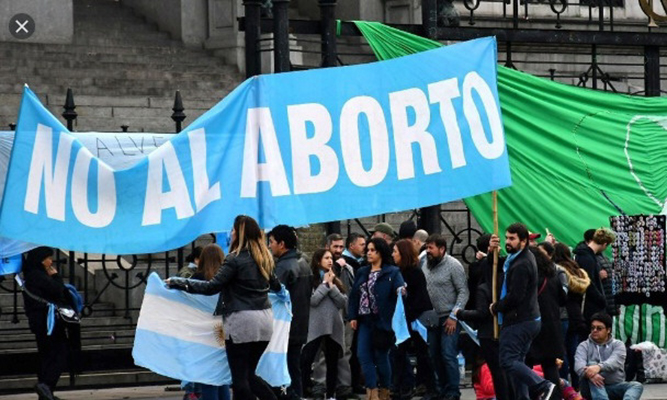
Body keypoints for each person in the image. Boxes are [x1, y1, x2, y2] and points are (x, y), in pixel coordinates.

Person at [167, 215, 282, 400]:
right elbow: (276, 286)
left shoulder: (234, 259)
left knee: (240, 379)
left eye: (234, 230)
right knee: (250, 374)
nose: (231, 233)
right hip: (265, 319)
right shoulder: (265, 258)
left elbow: (211, 287)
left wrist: (178, 282)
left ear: (240, 233)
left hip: (241, 320)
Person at [489, 223, 555, 400]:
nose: (508, 242)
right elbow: (495, 270)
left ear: (524, 241)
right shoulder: (519, 258)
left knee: (507, 360)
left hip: (520, 320)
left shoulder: (521, 264)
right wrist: (491, 251)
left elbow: (516, 296)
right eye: (507, 238)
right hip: (528, 319)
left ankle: (543, 385)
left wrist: (496, 307)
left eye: (512, 239)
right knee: (518, 364)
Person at [348, 238, 405, 400]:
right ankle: (372, 392)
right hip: (365, 320)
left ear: (380, 252)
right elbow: (354, 296)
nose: (369, 253)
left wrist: (401, 291)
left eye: (373, 250)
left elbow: (399, 289)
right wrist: (353, 316)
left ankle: (385, 390)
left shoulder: (392, 272)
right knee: (362, 355)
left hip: (383, 321)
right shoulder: (362, 271)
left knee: (381, 356)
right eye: (368, 250)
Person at [22, 247, 79, 400]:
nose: (51, 261)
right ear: (40, 260)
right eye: (47, 258)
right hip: (48, 322)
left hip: (41, 321)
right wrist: (56, 277)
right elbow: (57, 290)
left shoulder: (32, 275)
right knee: (60, 352)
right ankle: (46, 384)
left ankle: (46, 393)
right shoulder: (38, 276)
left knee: (46, 355)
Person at [455, 252, 513, 400]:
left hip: (489, 333)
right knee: (506, 370)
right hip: (505, 331)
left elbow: (482, 313)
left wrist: (461, 313)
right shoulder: (507, 286)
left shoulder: (484, 288)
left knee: (497, 372)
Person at [421, 234, 469, 400]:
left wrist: (454, 316)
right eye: (427, 247)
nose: (428, 251)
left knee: (448, 353)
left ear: (442, 249)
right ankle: (441, 389)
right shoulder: (425, 265)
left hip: (450, 318)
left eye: (431, 248)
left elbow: (463, 291)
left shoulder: (453, 265)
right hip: (432, 319)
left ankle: (453, 392)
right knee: (434, 354)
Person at [268, 225, 312, 400]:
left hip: (284, 327)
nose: (269, 246)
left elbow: (273, 296)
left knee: (283, 371)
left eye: (271, 242)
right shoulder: (304, 265)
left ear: (282, 244)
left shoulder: (284, 267)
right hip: (300, 324)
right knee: (295, 369)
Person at [301, 249, 348, 400]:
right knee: (307, 359)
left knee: (332, 361)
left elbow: (342, 302)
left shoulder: (335, 280)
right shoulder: (311, 279)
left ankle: (331, 394)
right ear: (318, 260)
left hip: (333, 325)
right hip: (316, 325)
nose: (330, 261)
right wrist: (324, 285)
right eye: (326, 258)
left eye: (331, 258)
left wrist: (331, 285)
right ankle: (306, 390)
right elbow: (313, 300)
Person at [391, 239, 434, 400]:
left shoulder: (415, 273)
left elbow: (420, 299)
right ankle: (402, 386)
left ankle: (430, 388)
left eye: (395, 251)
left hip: (415, 319)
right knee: (399, 354)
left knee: (423, 354)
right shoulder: (397, 272)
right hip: (404, 320)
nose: (393, 254)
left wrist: (408, 315)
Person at [189, 244, 231, 400]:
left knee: (207, 377)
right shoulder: (226, 278)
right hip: (221, 329)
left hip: (202, 331)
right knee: (222, 377)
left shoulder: (197, 279)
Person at [526, 247, 567, 400]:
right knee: (550, 367)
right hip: (552, 328)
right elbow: (563, 299)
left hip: (533, 326)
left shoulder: (530, 279)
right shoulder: (553, 276)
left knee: (527, 366)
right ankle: (555, 397)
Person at [574, 312, 643, 400]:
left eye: (599, 328)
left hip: (614, 386)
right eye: (592, 328)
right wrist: (591, 374)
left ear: (608, 330)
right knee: (591, 366)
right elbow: (578, 366)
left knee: (636, 386)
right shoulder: (583, 346)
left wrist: (599, 367)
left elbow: (614, 362)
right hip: (590, 390)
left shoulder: (618, 344)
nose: (595, 330)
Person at [552, 243, 590, 389]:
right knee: (574, 351)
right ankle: (577, 385)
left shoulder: (559, 271)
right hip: (576, 315)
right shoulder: (577, 271)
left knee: (562, 352)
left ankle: (564, 385)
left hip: (563, 313)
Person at [573, 228, 614, 325]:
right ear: (604, 244)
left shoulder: (585, 255)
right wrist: (601, 300)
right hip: (589, 307)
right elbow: (589, 283)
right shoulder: (587, 258)